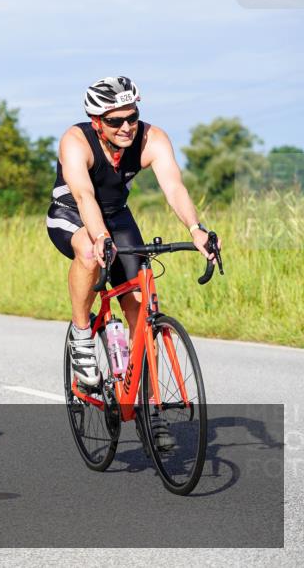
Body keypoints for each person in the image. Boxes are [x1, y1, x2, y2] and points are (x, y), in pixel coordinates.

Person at [48, 76, 220, 449]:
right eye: (115, 121)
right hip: (73, 213)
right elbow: (82, 194)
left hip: (117, 215)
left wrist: (196, 229)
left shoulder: (151, 139)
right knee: (91, 254)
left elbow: (174, 186)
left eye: (132, 116)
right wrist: (100, 238)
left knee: (141, 308)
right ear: (97, 121)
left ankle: (147, 408)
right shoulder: (75, 141)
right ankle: (81, 336)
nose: (126, 126)